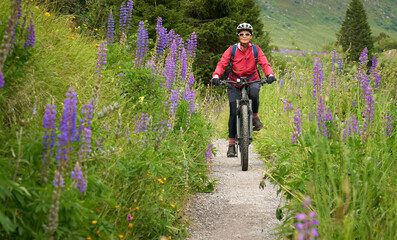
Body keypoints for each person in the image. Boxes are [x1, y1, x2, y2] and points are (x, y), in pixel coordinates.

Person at [211, 23, 276, 157]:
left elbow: (264, 63)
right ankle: (231, 145)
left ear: (251, 36)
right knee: (233, 111)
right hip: (234, 81)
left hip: (252, 79)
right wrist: (216, 75)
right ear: (238, 36)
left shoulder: (256, 49)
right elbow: (222, 63)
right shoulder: (232, 49)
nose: (244, 36)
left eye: (247, 34)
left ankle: (255, 117)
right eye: (242, 34)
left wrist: (269, 74)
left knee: (254, 92)